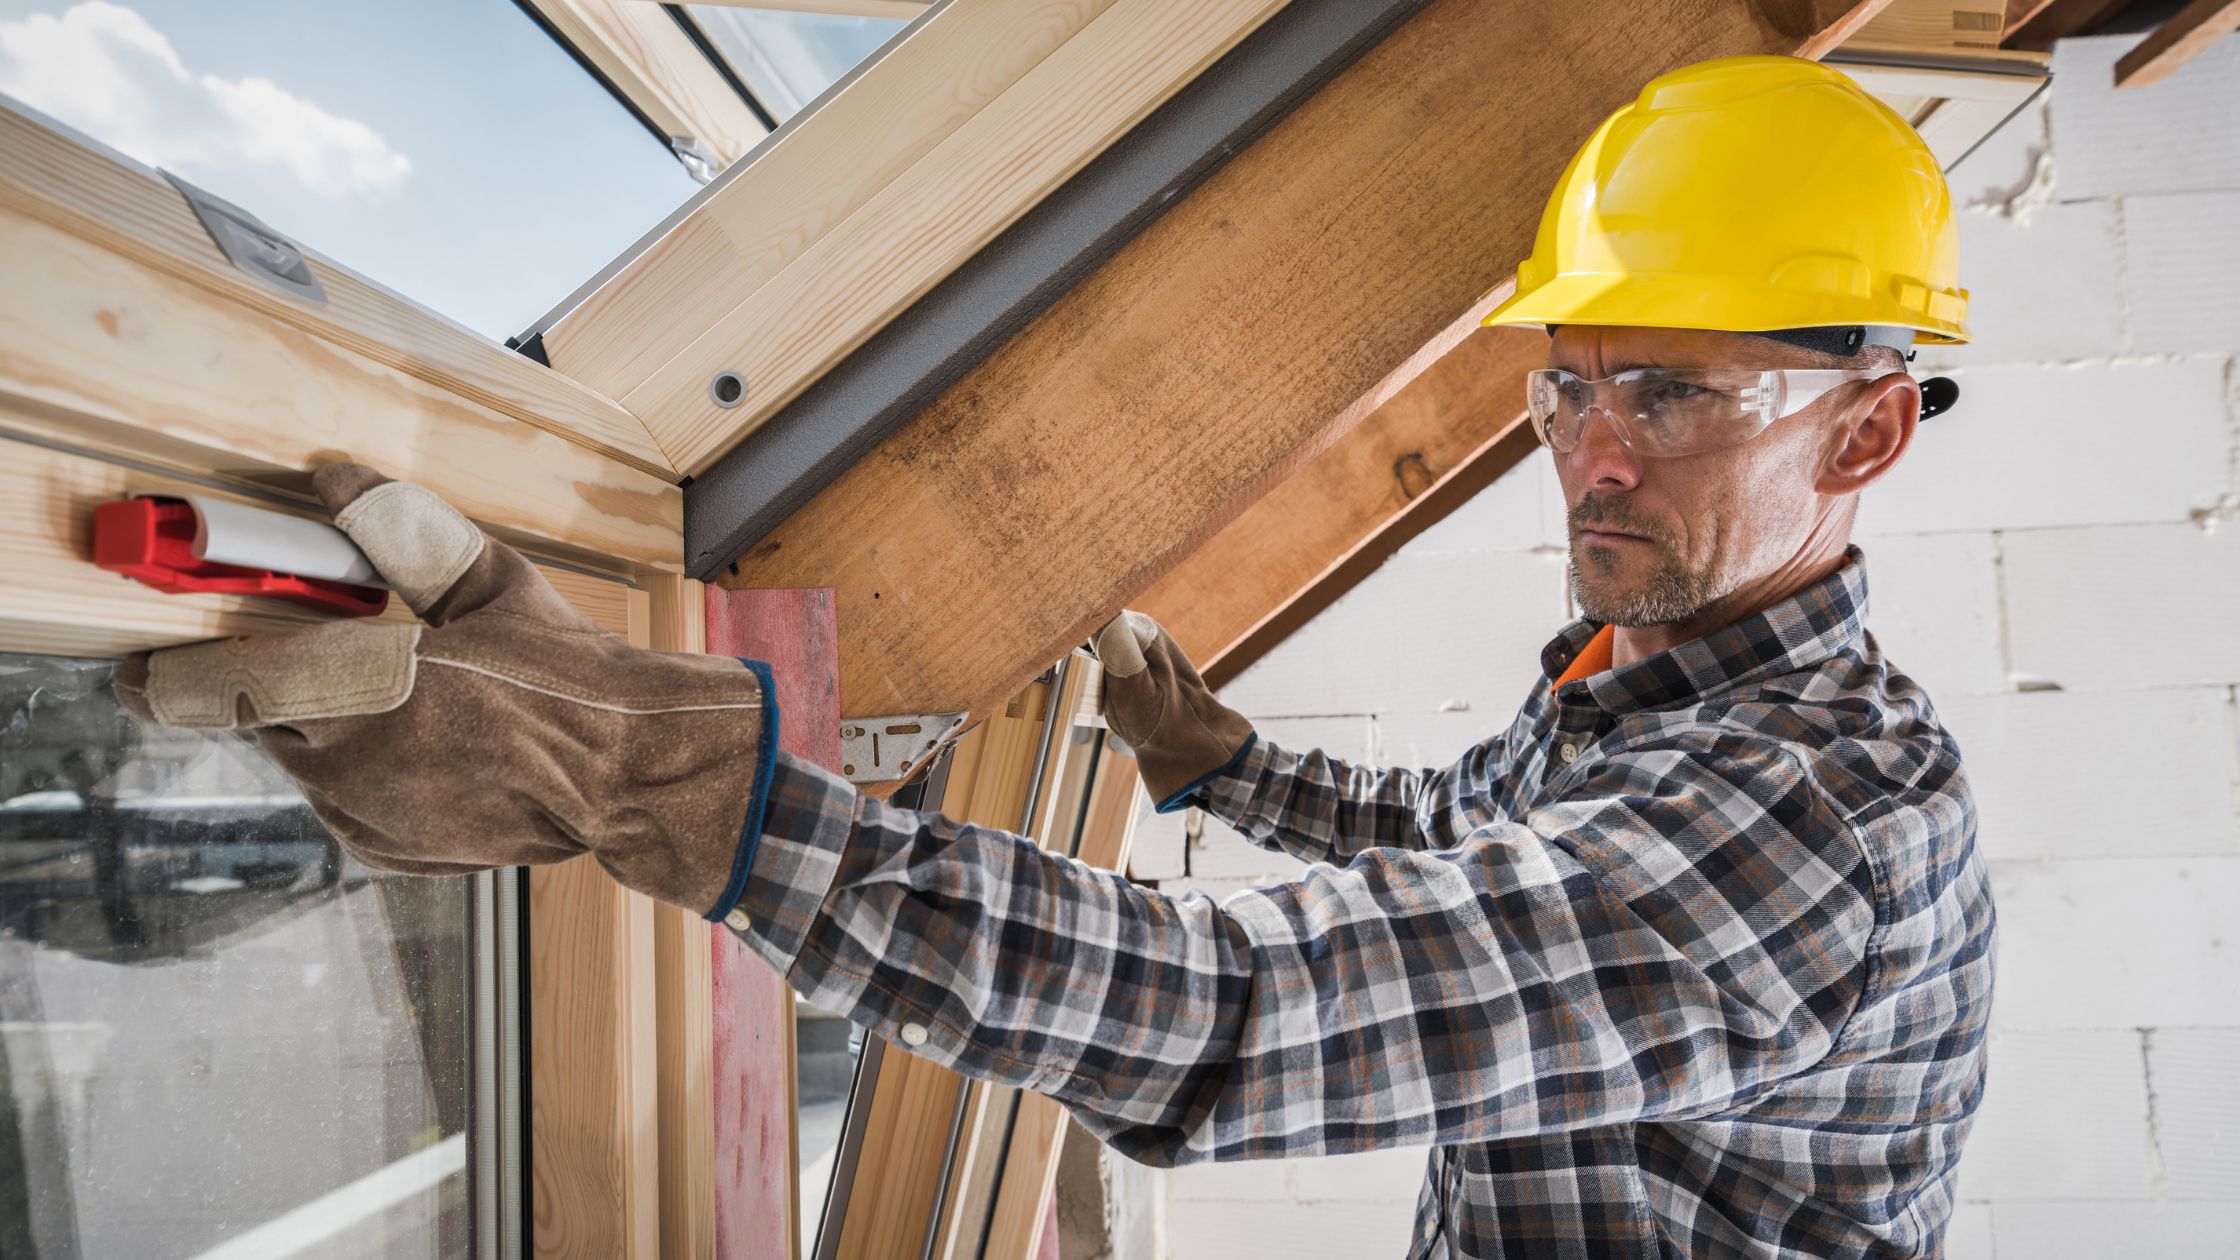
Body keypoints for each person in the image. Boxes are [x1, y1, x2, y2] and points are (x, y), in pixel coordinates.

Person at [115, 55, 1993, 1258]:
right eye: (1568, 382)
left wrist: (673, 784)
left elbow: (1268, 1016)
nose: (1587, 450)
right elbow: (1452, 832)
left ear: (1864, 435)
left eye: (1670, 391)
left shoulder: (1822, 822)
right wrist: (1219, 763)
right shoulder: (1644, 674)